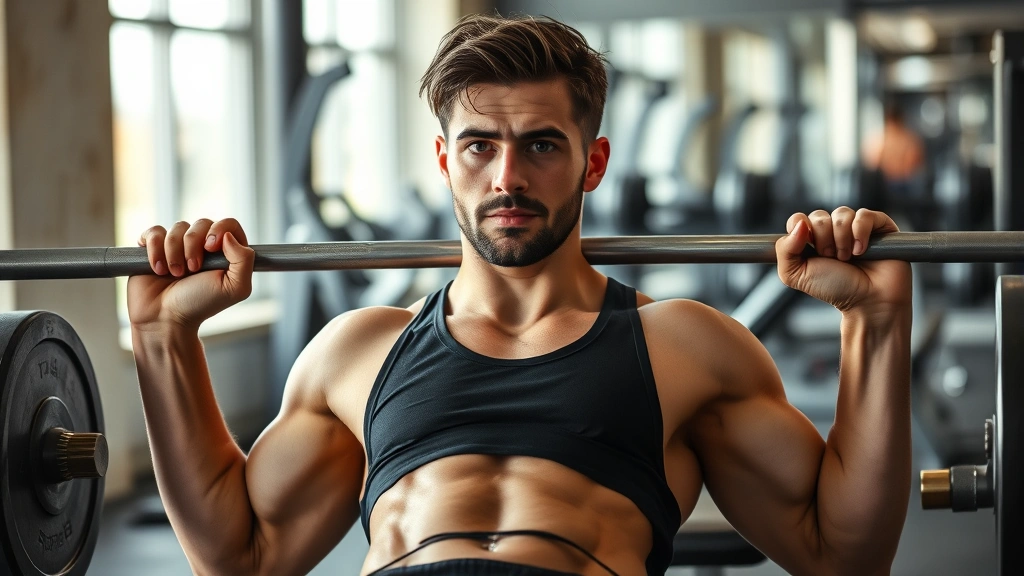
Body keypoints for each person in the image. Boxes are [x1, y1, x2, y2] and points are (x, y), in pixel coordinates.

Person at [127, 14, 912, 576]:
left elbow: (842, 553)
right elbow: (240, 555)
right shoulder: (357, 352)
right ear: (444, 161)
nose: (508, 177)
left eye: (541, 144)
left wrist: (873, 324)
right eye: (479, 146)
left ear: (592, 162)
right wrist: (165, 339)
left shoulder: (685, 347)